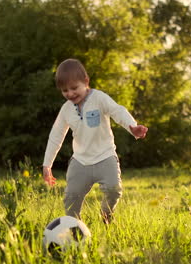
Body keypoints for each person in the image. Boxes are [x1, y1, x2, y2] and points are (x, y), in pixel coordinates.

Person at [42, 58, 148, 224]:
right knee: (71, 198)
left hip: (105, 157)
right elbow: (56, 136)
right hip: (80, 161)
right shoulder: (66, 109)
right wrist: (47, 165)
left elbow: (117, 111)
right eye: (64, 91)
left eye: (74, 88)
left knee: (114, 190)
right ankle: (73, 227)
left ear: (86, 81)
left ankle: (106, 215)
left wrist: (132, 126)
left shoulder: (99, 98)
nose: (70, 94)